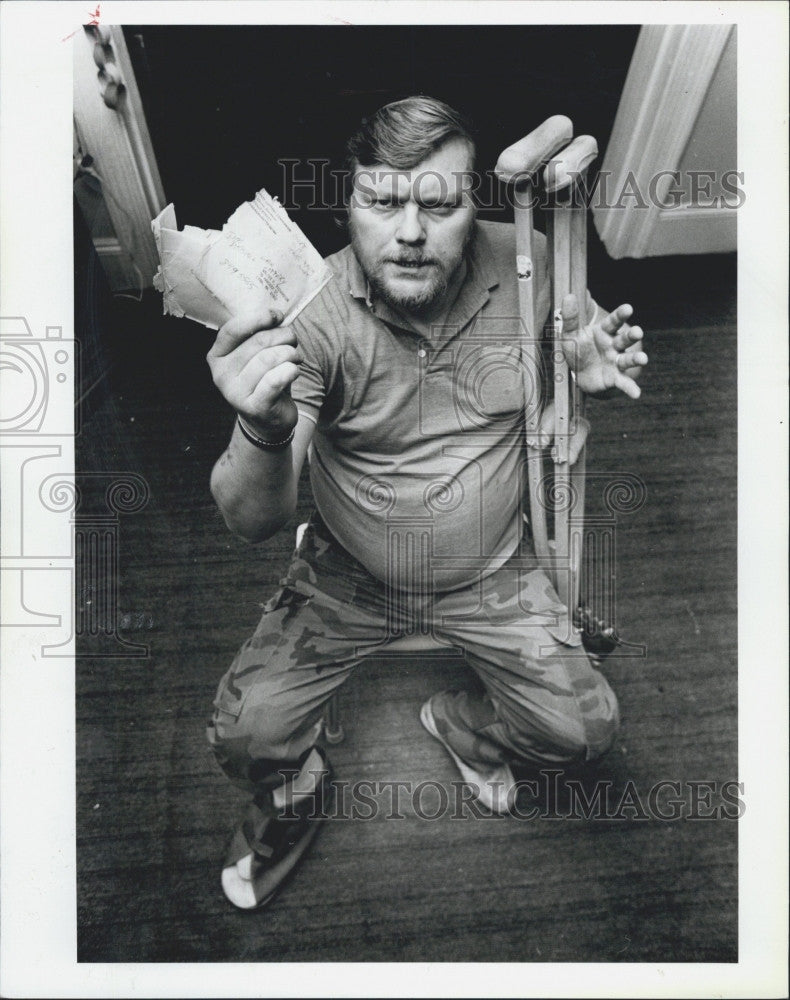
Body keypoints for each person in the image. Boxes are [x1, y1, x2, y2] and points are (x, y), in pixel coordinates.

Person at [205, 96, 648, 909]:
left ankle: (461, 723)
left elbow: (574, 341)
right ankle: (298, 794)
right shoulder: (313, 310)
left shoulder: (530, 258)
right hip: (351, 570)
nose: (409, 232)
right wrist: (263, 429)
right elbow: (248, 519)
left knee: (585, 732)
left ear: (473, 206)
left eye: (439, 206)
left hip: (492, 566)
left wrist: (576, 371)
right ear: (349, 205)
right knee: (247, 732)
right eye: (383, 202)